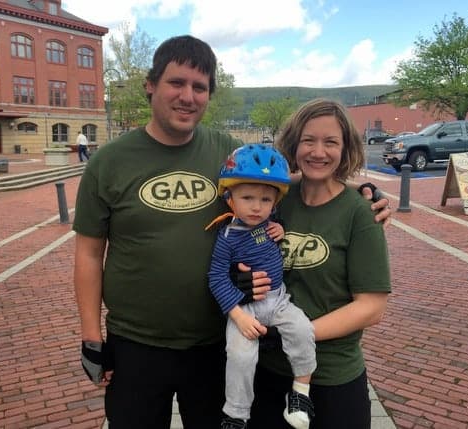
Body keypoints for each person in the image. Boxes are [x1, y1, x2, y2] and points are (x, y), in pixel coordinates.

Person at [73, 35, 391, 429]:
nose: (187, 96)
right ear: (150, 85)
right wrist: (91, 337)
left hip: (212, 343)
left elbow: (274, 182)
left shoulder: (226, 152)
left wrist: (358, 193)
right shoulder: (108, 162)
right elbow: (88, 254)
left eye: (200, 87)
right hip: (136, 344)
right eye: (177, 82)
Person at [247, 99, 392, 429]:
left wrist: (294, 334)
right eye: (309, 140)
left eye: (331, 142)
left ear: (346, 149)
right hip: (268, 372)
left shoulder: (360, 213)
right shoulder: (275, 197)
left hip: (333, 378)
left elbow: (371, 307)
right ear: (294, 143)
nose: (318, 152)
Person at [206, 144, 316, 429]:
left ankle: (301, 393)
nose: (257, 206)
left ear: (275, 203)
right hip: (245, 309)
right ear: (230, 199)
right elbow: (216, 277)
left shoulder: (270, 224)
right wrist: (239, 316)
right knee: (240, 356)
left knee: (303, 330)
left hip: (278, 301)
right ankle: (236, 414)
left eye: (266, 200)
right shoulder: (228, 236)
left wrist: (280, 230)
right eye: (248, 198)